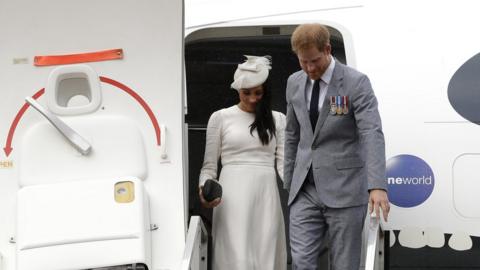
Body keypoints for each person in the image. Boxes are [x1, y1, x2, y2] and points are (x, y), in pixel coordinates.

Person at [284, 23, 390, 270]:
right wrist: (290, 181)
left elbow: (371, 132)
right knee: (301, 261)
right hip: (304, 190)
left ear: (328, 49)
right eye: (303, 62)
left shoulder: (356, 82)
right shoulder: (294, 82)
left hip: (345, 189)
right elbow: (291, 134)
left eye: (314, 61)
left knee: (344, 264)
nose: (310, 68)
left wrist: (376, 185)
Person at [198, 55, 287, 270]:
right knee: (236, 257)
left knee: (266, 252)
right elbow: (209, 166)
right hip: (231, 195)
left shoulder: (278, 119)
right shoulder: (220, 117)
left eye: (258, 93)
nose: (252, 98)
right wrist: (204, 190)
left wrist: (304, 193)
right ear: (237, 90)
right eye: (246, 93)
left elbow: (285, 166)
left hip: (266, 195)